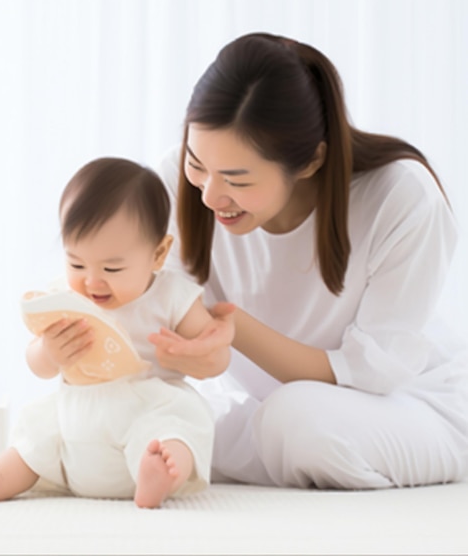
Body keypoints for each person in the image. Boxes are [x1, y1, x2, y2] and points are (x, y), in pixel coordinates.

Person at [151, 32, 468, 489]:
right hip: (267, 409)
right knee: (150, 426)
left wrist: (233, 331)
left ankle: (297, 459)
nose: (210, 195)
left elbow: (371, 374)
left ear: (309, 162)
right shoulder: (175, 183)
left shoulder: (400, 197)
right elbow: (161, 307)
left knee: (294, 423)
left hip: (402, 405)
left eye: (237, 180)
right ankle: (286, 461)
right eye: (197, 164)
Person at [0, 157, 234, 508]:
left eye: (112, 267)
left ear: (158, 254)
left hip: (147, 408)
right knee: (36, 431)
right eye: (76, 263)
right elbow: (37, 363)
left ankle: (159, 474)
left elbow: (215, 356)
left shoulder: (172, 297)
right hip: (77, 420)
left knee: (180, 424)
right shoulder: (62, 298)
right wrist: (49, 353)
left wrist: (195, 353)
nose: (92, 281)